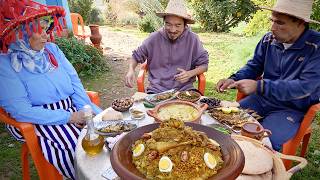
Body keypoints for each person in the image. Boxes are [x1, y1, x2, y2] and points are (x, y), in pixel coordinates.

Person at [0, 1, 102, 179]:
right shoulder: (5, 63)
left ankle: (105, 172)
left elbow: (75, 84)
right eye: (39, 30)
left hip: (69, 106)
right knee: (77, 144)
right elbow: (21, 111)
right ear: (21, 32)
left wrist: (88, 111)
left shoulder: (53, 50)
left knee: (104, 130)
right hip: (35, 117)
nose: (47, 36)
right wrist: (69, 117)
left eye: (47, 28)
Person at [216, 0, 320, 151]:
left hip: (292, 108)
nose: (272, 28)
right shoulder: (268, 39)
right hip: (262, 99)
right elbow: (254, 66)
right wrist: (234, 78)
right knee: (224, 122)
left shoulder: (316, 47)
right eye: (272, 21)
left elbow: (305, 87)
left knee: (261, 142)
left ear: (300, 23)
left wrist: (259, 86)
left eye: (280, 23)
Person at [125, 0, 208, 94]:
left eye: (178, 25)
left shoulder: (193, 39)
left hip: (185, 91)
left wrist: (189, 74)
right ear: (164, 22)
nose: (173, 30)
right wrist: (131, 70)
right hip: (157, 92)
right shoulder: (154, 38)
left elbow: (204, 65)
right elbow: (136, 56)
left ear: (185, 25)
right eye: (168, 24)